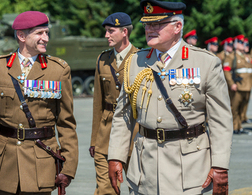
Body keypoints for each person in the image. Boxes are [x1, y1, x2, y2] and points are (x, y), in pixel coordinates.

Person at [107, 0, 233, 194]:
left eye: (157, 24)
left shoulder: (206, 63)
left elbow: (220, 121)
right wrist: (116, 156)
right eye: (147, 24)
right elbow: (123, 115)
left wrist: (220, 165)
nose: (150, 29)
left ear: (178, 27)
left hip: (189, 172)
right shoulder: (135, 61)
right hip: (144, 171)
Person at [0, 11, 78, 194]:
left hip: (40, 165)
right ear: (21, 35)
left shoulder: (58, 70)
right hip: (5, 165)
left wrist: (68, 168)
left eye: (46, 33)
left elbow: (66, 124)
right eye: (39, 33)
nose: (45, 38)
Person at [89, 12, 139, 195]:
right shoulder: (102, 60)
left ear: (124, 31)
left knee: (138, 187)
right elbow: (98, 104)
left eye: (111, 31)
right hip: (106, 135)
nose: (106, 35)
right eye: (106, 31)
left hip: (134, 132)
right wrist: (94, 139)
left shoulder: (141, 59)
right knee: (105, 190)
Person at [224, 34, 252, 134]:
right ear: (235, 44)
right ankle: (234, 127)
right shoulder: (231, 56)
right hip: (238, 86)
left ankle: (239, 126)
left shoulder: (246, 57)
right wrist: (231, 83)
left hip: (247, 86)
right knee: (234, 108)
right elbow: (226, 71)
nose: (242, 45)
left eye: (243, 43)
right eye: (240, 42)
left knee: (242, 109)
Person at [241, 37, 252, 124]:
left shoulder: (248, 56)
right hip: (241, 83)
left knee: (246, 101)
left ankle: (244, 116)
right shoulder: (240, 56)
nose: (247, 47)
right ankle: (239, 119)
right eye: (246, 45)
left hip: (248, 83)